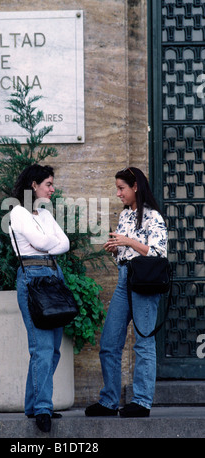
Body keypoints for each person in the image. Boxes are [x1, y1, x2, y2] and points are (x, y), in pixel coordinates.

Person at [85, 167, 168, 418]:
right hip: (125, 279)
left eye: (122, 188)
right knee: (110, 342)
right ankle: (109, 401)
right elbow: (125, 253)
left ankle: (142, 401)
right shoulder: (125, 216)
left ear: (135, 187)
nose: (118, 193)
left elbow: (159, 253)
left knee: (143, 342)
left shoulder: (154, 217)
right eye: (117, 188)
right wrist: (115, 248)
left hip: (145, 281)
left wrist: (128, 242)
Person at [9, 164, 70, 432]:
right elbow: (45, 243)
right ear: (33, 185)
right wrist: (47, 242)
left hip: (54, 278)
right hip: (33, 280)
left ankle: (34, 405)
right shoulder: (18, 212)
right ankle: (43, 408)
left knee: (53, 349)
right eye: (48, 184)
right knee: (42, 348)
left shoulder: (44, 214)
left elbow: (64, 243)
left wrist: (47, 242)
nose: (52, 189)